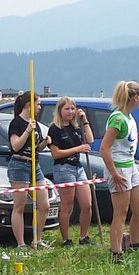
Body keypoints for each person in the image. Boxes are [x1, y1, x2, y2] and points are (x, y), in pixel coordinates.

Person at [100, 81, 139, 261]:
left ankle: (135, 243)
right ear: (134, 97)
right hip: (119, 167)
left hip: (130, 165)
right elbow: (105, 148)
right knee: (121, 212)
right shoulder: (117, 118)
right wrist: (114, 174)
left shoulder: (129, 117)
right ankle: (116, 251)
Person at [6, 91, 51, 252]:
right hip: (19, 165)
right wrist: (27, 131)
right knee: (19, 205)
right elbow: (15, 146)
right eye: (38, 104)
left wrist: (45, 142)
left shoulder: (35, 123)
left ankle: (37, 239)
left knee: (44, 204)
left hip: (35, 165)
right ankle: (21, 244)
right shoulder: (16, 123)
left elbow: (36, 148)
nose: (40, 108)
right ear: (29, 105)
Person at [46, 97, 94, 246]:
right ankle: (66, 239)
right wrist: (77, 149)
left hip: (78, 167)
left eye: (72, 109)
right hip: (63, 168)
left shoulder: (76, 127)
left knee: (87, 204)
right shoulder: (55, 128)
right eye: (67, 109)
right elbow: (55, 154)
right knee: (67, 206)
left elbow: (90, 139)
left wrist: (84, 120)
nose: (70, 112)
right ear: (60, 110)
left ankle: (84, 236)